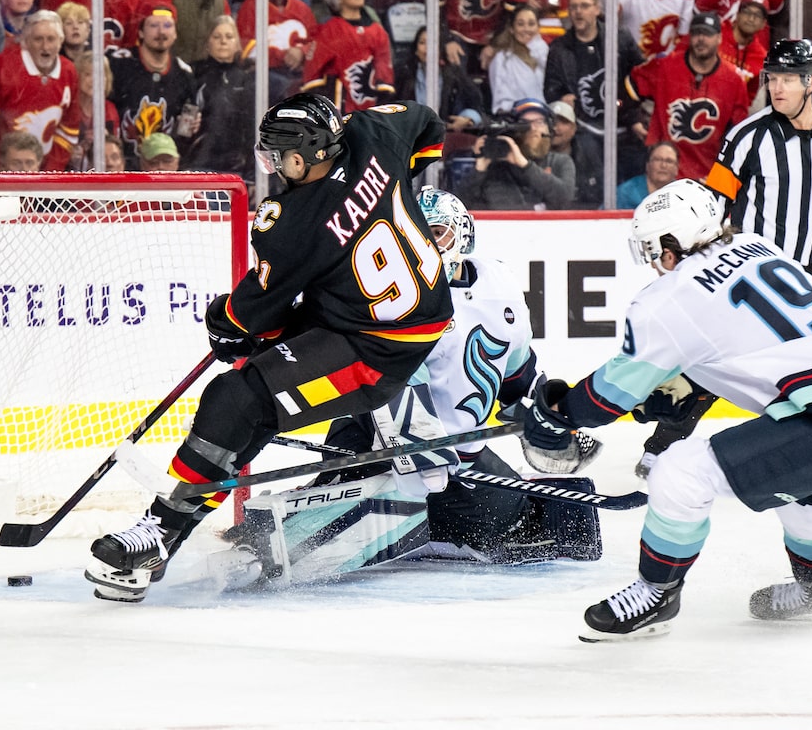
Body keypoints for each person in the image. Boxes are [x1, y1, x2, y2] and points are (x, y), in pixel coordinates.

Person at [84, 94, 453, 603]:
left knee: (237, 399)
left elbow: (247, 316)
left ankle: (160, 528)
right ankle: (168, 530)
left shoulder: (292, 221)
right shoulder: (373, 134)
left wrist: (222, 321)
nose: (273, 164)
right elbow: (427, 124)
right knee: (257, 398)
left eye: (279, 154)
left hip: (375, 352)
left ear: (305, 153)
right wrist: (396, 188)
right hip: (404, 312)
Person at [222, 188, 602, 587]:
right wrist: (422, 454)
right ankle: (317, 508)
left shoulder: (501, 285)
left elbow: (517, 380)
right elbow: (391, 384)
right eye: (412, 236)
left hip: (458, 461)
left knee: (552, 527)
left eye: (435, 233)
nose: (425, 246)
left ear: (464, 236)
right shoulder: (393, 294)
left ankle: (406, 520)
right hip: (384, 443)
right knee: (315, 524)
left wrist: (545, 424)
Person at [521, 178, 812, 640]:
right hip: (811, 410)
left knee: (680, 472)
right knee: (797, 482)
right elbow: (742, 341)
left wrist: (556, 415)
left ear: (668, 246)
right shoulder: (756, 245)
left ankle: (655, 594)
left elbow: (606, 398)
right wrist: (686, 382)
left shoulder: (669, 298)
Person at [706, 39, 812, 284]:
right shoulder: (746, 137)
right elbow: (713, 207)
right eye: (772, 78)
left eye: (788, 80)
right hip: (756, 276)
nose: (777, 88)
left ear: (811, 82)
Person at [544, 0, 646, 207]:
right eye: (573, 7)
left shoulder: (619, 37)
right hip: (585, 128)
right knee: (594, 187)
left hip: (624, 126)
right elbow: (551, 89)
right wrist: (563, 97)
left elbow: (642, 77)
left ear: (597, 9)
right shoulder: (560, 47)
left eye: (584, 6)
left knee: (633, 180)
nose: (578, 12)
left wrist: (635, 117)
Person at [624, 12, 750, 182]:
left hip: (707, 176)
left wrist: (722, 174)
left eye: (707, 34)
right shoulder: (665, 66)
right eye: (696, 33)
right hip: (663, 174)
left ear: (719, 38)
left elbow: (739, 134)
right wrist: (634, 119)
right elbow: (627, 88)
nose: (701, 39)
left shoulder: (733, 80)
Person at [107, 1, 198, 169]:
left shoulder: (185, 74)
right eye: (154, 25)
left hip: (164, 170)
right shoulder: (120, 64)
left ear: (175, 33)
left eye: (167, 25)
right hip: (123, 169)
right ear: (140, 32)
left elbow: (185, 132)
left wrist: (192, 127)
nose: (161, 32)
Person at [0, 10, 79, 171]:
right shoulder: (5, 65)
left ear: (61, 41)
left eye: (51, 39)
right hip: (6, 167)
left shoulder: (69, 70)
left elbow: (69, 126)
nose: (45, 46)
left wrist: (51, 172)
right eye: (38, 39)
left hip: (43, 169)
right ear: (25, 42)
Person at [300, 0, 395, 113]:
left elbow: (384, 69)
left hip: (370, 111)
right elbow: (312, 71)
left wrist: (383, 99)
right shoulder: (329, 30)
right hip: (339, 111)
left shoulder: (377, 31)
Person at [462, 98, 575, 211]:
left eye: (539, 122)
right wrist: (479, 169)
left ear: (549, 129)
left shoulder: (560, 162)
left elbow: (565, 199)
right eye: (524, 124)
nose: (533, 129)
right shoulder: (498, 167)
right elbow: (459, 208)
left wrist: (525, 166)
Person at [235, 0, 315, 103]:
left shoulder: (302, 9)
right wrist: (281, 56)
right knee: (283, 87)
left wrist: (302, 52)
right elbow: (245, 47)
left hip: (299, 72)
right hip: (265, 73)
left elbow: (316, 41)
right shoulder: (251, 6)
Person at [187, 15, 253, 181]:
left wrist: (252, 174)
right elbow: (184, 126)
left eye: (229, 37)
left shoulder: (248, 79)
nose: (223, 41)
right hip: (199, 166)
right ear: (207, 43)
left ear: (237, 44)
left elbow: (253, 129)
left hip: (236, 169)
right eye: (217, 37)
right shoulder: (194, 75)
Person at [394, 24, 484, 134]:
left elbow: (475, 104)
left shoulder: (454, 74)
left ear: (441, 49)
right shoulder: (404, 74)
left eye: (432, 43)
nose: (427, 48)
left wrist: (468, 119)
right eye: (422, 43)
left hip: (447, 136)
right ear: (416, 49)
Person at [486, 5, 548, 114]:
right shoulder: (502, 59)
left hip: (546, 118)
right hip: (517, 120)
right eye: (520, 24)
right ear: (511, 29)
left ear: (538, 27)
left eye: (531, 24)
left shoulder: (545, 53)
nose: (526, 29)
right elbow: (501, 102)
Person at [719, 0, 769, 105]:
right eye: (747, 12)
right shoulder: (716, 35)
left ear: (763, 24)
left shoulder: (761, 58)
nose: (751, 19)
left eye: (758, 15)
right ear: (737, 15)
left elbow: (747, 100)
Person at [616, 141, 679, 209]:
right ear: (647, 165)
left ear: (676, 169)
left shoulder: (683, 193)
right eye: (657, 160)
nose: (663, 165)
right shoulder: (625, 193)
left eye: (669, 161)